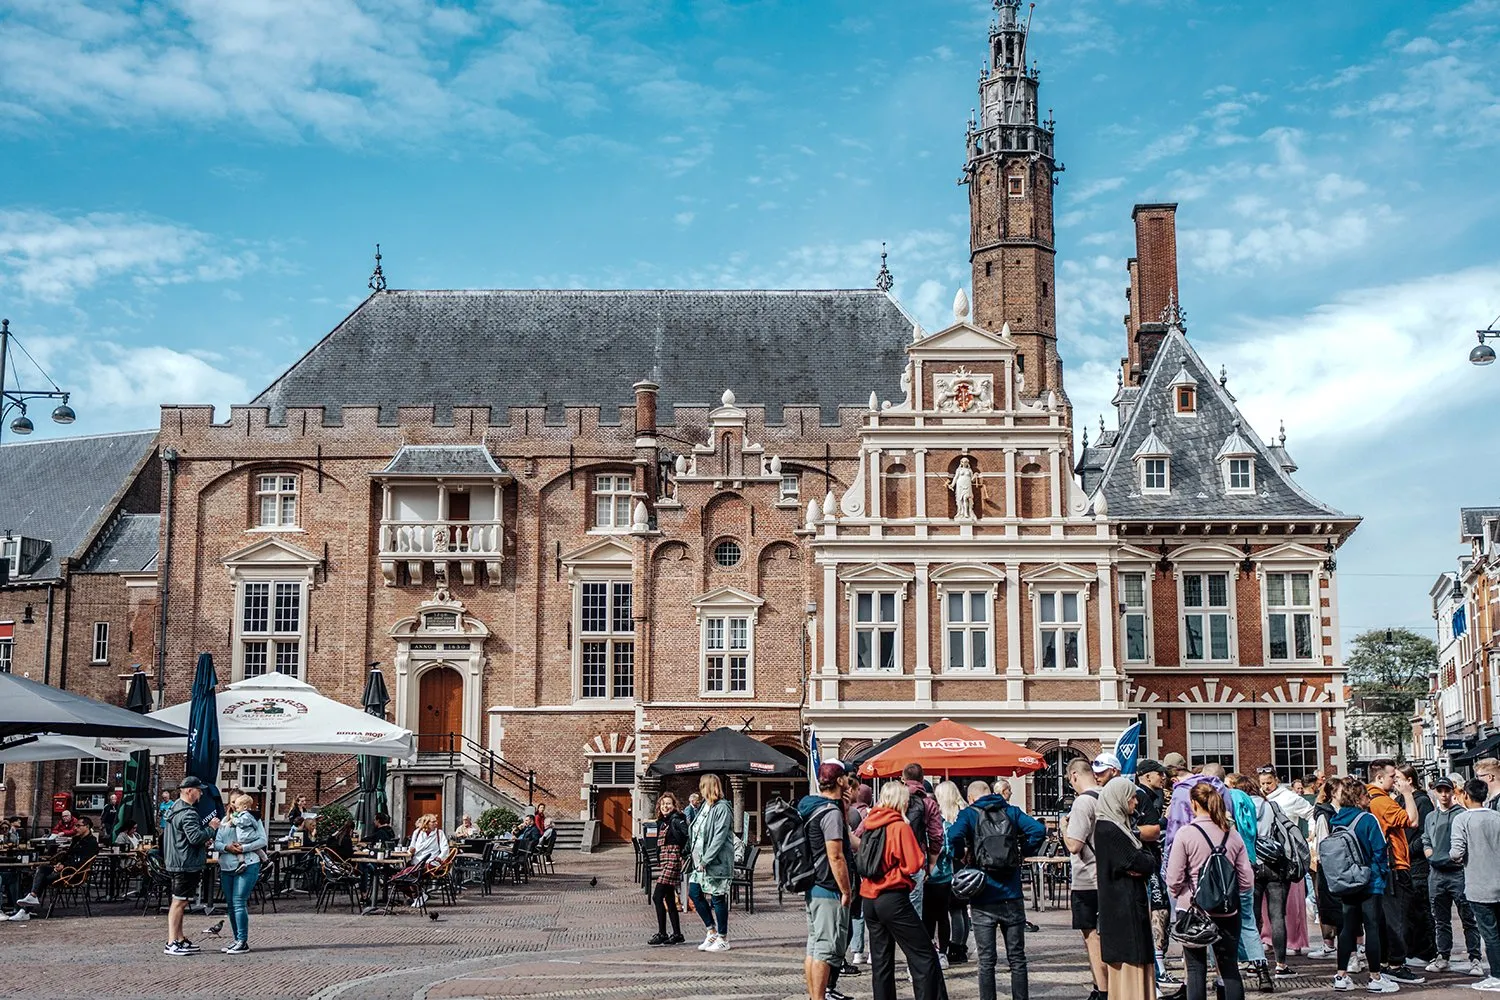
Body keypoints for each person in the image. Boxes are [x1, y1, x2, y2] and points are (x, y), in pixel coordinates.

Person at [946, 772, 1045, 1000]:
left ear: (971, 798)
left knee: (986, 960)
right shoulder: (1011, 811)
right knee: (1017, 958)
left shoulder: (969, 814)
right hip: (1012, 893)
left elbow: (953, 836)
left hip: (983, 894)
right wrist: (1023, 851)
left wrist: (962, 855)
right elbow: (1038, 830)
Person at [860, 779, 947, 1000]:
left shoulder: (871, 822)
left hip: (869, 897)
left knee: (881, 961)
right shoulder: (899, 825)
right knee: (923, 955)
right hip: (892, 896)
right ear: (902, 801)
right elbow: (914, 862)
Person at [1167, 782, 1253, 1000]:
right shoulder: (1231, 834)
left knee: (1196, 970)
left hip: (1193, 909)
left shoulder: (1186, 834)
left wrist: (1181, 891)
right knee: (1229, 967)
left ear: (1194, 804)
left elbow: (1174, 878)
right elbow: (1246, 880)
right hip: (1227, 909)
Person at [1329, 777, 1397, 993]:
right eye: (1366, 795)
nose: (1369, 798)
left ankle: (1341, 975)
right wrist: (1381, 875)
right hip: (1370, 880)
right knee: (1372, 927)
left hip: (1347, 880)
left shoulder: (1337, 820)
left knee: (1347, 928)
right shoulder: (1368, 820)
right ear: (1359, 798)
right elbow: (1380, 851)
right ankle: (1375, 978)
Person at [1095, 776, 1159, 1000]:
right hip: (1124, 908)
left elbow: (1143, 861)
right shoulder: (1110, 830)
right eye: (1131, 796)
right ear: (1119, 799)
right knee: (1131, 965)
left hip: (1125, 906)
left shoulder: (1117, 827)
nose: (1135, 801)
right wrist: (1141, 861)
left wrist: (1142, 861)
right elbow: (1143, 862)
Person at [1365, 759, 1424, 984]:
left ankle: (1384, 961)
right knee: (1397, 917)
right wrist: (1408, 794)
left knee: (1382, 917)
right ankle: (1397, 964)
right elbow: (1413, 821)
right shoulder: (1382, 802)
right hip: (1394, 865)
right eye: (1392, 776)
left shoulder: (1367, 798)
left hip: (1378, 867)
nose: (1396, 780)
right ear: (1380, 778)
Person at [1232, 774, 1295, 979]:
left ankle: (1254, 962)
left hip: (1251, 863)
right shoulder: (1271, 806)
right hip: (1274, 864)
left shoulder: (1241, 806)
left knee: (1252, 916)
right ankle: (1281, 964)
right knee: (1277, 916)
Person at [801, 762, 854, 1000]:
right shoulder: (830, 813)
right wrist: (846, 889)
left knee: (814, 946)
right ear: (840, 780)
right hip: (829, 885)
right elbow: (836, 855)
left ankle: (815, 997)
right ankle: (819, 997)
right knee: (825, 949)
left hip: (814, 884)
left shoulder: (811, 806)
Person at [1421, 774, 1482, 975]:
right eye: (1440, 791)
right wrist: (1429, 853)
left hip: (1458, 873)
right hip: (1436, 874)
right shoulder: (1431, 817)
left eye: (1447, 790)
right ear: (1435, 792)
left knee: (1468, 917)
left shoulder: (1461, 814)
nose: (1444, 794)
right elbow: (1426, 839)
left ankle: (1475, 958)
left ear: (1452, 791)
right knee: (1440, 918)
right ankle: (1443, 955)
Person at [1222, 772, 1274, 992]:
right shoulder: (1252, 803)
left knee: (1223, 922)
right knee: (1249, 920)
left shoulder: (1227, 802)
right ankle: (1262, 972)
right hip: (1249, 863)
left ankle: (1229, 973)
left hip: (1228, 868)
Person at [161, 776, 221, 956]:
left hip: (176, 860)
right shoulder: (189, 813)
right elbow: (194, 837)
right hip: (186, 863)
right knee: (179, 902)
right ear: (189, 791)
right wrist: (211, 828)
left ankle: (179, 938)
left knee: (181, 900)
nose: (201, 793)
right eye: (199, 789)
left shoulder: (173, 809)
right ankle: (172, 942)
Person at [1065, 757, 1109, 1000]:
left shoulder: (1082, 802)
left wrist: (1064, 828)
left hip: (1087, 878)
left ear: (1074, 776)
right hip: (1108, 876)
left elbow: (1074, 845)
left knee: (1092, 937)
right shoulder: (1109, 796)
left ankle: (1101, 990)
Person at [1258, 767, 1314, 960]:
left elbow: (1310, 813)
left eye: (1269, 783)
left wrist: (1309, 835)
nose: (1265, 787)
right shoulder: (1261, 799)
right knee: (1270, 906)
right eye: (1262, 783)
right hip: (1268, 855)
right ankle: (1268, 938)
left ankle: (1295, 941)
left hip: (1288, 855)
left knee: (1291, 903)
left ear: (1276, 780)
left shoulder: (1290, 797)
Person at [1450, 778, 1500, 990]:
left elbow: (1456, 853)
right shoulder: (1497, 817)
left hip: (1479, 884)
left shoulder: (1462, 820)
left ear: (1466, 797)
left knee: (1490, 933)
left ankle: (1497, 975)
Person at [1134, 759, 1178, 992]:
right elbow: (1145, 829)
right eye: (1160, 774)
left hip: (1156, 860)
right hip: (1147, 861)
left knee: (1161, 910)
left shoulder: (1156, 795)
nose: (1164, 778)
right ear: (1147, 776)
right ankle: (1158, 969)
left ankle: (1158, 964)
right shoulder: (1141, 796)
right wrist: (1165, 818)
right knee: (1158, 910)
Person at [687, 774, 735, 953]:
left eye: (702, 786)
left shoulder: (722, 808)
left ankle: (723, 937)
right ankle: (711, 930)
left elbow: (719, 836)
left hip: (716, 862)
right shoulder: (705, 807)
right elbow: (697, 830)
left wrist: (707, 859)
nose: (700, 790)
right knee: (694, 892)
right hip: (699, 862)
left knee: (717, 897)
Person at [1395, 764, 1437, 968]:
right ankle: (1412, 948)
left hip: (1417, 863)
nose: (1395, 781)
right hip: (1404, 863)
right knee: (1409, 908)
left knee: (1421, 906)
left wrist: (1406, 849)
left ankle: (1427, 951)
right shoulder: (1398, 800)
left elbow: (1425, 834)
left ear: (1409, 780)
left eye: (1398, 778)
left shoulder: (1422, 801)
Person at [214, 793, 267, 955]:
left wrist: (243, 848)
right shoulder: (224, 821)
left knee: (238, 901)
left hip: (248, 863)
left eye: (236, 803)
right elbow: (217, 842)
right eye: (231, 803)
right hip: (226, 867)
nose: (234, 806)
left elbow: (262, 841)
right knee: (230, 904)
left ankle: (242, 940)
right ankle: (237, 939)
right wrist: (227, 848)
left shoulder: (252, 819)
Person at [16, 817, 98, 909]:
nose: (75, 828)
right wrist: (59, 863)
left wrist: (64, 867)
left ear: (86, 827)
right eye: (75, 826)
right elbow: (67, 854)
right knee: (41, 869)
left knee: (40, 879)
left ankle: (25, 909)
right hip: (64, 869)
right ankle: (31, 898)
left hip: (73, 873)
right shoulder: (76, 840)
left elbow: (83, 862)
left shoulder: (91, 842)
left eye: (78, 826)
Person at [927, 780, 963, 969]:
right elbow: (951, 851)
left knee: (934, 917)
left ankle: (938, 952)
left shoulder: (936, 825)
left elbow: (948, 849)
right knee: (940, 916)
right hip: (942, 876)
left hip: (933, 876)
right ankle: (940, 952)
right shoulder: (945, 825)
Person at [903, 763, 946, 919]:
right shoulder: (929, 803)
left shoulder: (892, 799)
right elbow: (936, 835)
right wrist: (932, 862)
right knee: (914, 912)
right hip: (916, 860)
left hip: (892, 861)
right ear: (922, 779)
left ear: (903, 778)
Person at [1308, 778, 1344, 961]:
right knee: (1328, 906)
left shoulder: (1344, 812)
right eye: (1340, 790)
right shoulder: (1324, 815)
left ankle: (1352, 946)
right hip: (1329, 867)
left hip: (1341, 866)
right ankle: (1329, 945)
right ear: (1332, 793)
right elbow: (1323, 843)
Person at [649, 792, 689, 946]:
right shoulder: (663, 822)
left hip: (673, 860)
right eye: (663, 804)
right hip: (665, 861)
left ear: (674, 806)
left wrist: (682, 854)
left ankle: (662, 933)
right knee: (669, 898)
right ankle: (677, 934)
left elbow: (688, 836)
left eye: (668, 804)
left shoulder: (676, 820)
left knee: (657, 896)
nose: (665, 806)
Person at [847, 783, 875, 966]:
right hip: (869, 867)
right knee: (871, 911)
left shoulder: (848, 813)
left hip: (854, 866)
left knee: (857, 911)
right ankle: (873, 951)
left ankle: (857, 950)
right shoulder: (871, 814)